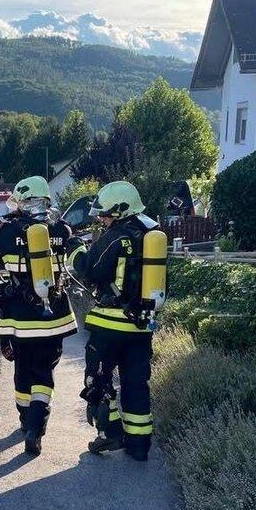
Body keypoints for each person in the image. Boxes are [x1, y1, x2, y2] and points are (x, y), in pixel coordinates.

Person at [0, 176, 77, 456]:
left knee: (22, 372)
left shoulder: (7, 232)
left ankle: (23, 420)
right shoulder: (61, 229)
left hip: (20, 319)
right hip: (54, 317)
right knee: (44, 373)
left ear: (21, 203)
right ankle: (36, 428)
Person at [67, 180, 164, 462]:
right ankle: (138, 445)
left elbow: (90, 271)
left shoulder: (116, 236)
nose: (102, 218)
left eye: (105, 213)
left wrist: (74, 247)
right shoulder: (152, 234)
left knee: (99, 379)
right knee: (136, 383)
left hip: (109, 326)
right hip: (142, 326)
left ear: (120, 210)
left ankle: (109, 434)